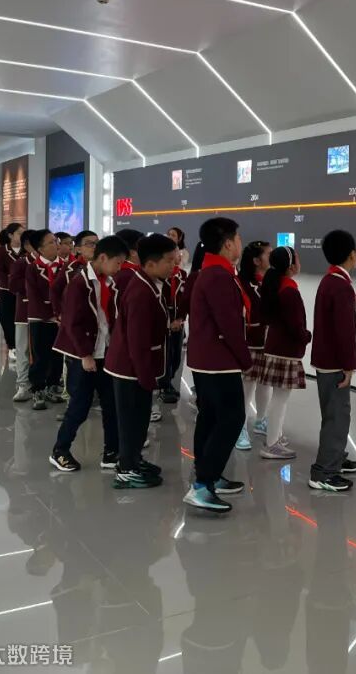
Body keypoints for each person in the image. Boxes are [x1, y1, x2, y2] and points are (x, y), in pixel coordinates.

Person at [184, 217, 252, 513]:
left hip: (208, 358)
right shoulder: (218, 277)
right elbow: (230, 325)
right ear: (227, 244)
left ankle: (207, 474)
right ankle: (202, 484)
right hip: (218, 360)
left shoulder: (213, 272)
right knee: (232, 418)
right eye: (238, 239)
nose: (240, 243)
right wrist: (245, 360)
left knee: (210, 417)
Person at [49, 235, 128, 472]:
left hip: (105, 352)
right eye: (117, 262)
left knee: (111, 405)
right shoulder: (79, 283)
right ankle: (60, 451)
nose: (119, 268)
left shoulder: (109, 282)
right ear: (103, 258)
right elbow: (71, 323)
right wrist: (85, 355)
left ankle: (112, 452)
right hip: (83, 355)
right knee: (79, 406)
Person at [105, 233, 177, 490]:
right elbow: (137, 340)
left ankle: (133, 459)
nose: (173, 265)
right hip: (130, 369)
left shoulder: (151, 283)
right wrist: (146, 377)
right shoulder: (140, 292)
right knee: (131, 421)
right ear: (150, 263)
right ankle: (126, 470)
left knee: (140, 418)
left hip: (139, 367)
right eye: (169, 261)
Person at [309, 229, 356, 492]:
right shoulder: (341, 286)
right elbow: (345, 332)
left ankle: (336, 457)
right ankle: (324, 471)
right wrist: (349, 366)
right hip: (334, 363)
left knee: (333, 413)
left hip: (325, 359)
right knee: (337, 417)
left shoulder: (329, 281)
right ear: (352, 255)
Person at [258, 245, 311, 460]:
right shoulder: (289, 290)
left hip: (276, 347)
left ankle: (274, 438)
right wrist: (306, 336)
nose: (300, 262)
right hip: (285, 350)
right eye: (297, 259)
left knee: (278, 397)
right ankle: (272, 443)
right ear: (291, 266)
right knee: (280, 399)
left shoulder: (275, 285)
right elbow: (295, 325)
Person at [25, 229, 67, 410]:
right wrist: (50, 315)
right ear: (40, 249)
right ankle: (37, 388)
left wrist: (61, 314)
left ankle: (53, 385)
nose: (56, 244)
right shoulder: (32, 268)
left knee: (57, 355)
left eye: (55, 241)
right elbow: (33, 295)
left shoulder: (66, 266)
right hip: (39, 317)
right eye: (51, 242)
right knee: (40, 355)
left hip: (61, 319)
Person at [237, 240, 272, 450]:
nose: (272, 257)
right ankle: (239, 427)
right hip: (249, 343)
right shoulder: (242, 284)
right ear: (257, 260)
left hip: (266, 343)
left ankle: (261, 419)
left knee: (265, 383)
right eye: (268, 254)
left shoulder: (268, 282)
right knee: (246, 386)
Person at [156, 256, 187, 406]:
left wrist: (180, 319)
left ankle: (168, 381)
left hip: (178, 321)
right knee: (165, 355)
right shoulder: (159, 275)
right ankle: (164, 386)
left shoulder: (182, 275)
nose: (177, 257)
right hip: (164, 321)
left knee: (176, 357)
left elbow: (185, 299)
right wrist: (168, 322)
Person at [10, 231, 36, 402]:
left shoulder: (54, 264)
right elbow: (13, 286)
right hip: (24, 313)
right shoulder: (21, 263)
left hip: (46, 314)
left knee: (43, 351)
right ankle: (23, 385)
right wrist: (34, 283)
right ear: (27, 246)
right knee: (23, 349)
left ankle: (44, 384)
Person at [0, 223, 25, 360]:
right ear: (10, 235)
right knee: (8, 318)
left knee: (21, 319)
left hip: (23, 290)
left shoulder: (26, 250)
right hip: (6, 290)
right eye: (19, 233)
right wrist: (11, 284)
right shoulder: (2, 251)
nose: (22, 236)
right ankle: (12, 345)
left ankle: (22, 346)